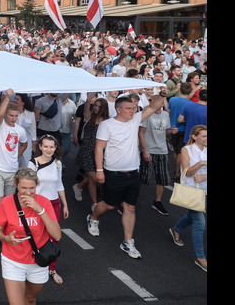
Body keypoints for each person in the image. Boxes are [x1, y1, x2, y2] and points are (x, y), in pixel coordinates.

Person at [86, 92, 166, 259]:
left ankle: (127, 242)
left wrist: (163, 93)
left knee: (130, 207)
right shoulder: (107, 125)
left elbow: (154, 106)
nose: (133, 111)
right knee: (109, 205)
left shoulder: (136, 119)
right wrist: (99, 170)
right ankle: (93, 217)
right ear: (118, 110)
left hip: (133, 173)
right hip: (113, 173)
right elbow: (99, 148)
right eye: (129, 108)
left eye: (134, 108)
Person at [0, 167, 62, 305]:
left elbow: (57, 235)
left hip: (38, 261)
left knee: (30, 299)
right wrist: (7, 239)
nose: (28, 192)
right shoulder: (7, 202)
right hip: (13, 261)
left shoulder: (44, 203)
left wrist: (40, 210)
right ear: (16, 185)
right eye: (23, 187)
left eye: (32, 188)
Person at [0, 90, 28, 250]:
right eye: (11, 115)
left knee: (9, 204)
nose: (13, 118)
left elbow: (24, 144)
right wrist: (8, 97)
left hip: (12, 170)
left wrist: (17, 155)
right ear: (6, 114)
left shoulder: (20, 130)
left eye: (16, 115)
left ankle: (3, 230)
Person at [167, 125, 207, 272]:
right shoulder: (186, 150)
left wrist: (205, 176)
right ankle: (201, 257)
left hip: (205, 191)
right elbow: (187, 172)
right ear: (195, 137)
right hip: (192, 191)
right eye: (204, 136)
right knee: (200, 223)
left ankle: (176, 230)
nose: (206, 139)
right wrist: (201, 163)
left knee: (192, 216)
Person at [30, 135, 68, 284]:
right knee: (35, 235)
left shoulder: (57, 163)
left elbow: (59, 185)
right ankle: (32, 266)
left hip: (53, 204)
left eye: (51, 147)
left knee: (53, 237)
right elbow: (27, 187)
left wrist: (65, 204)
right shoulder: (32, 164)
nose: (48, 149)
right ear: (40, 147)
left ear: (55, 148)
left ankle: (52, 269)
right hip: (37, 204)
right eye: (45, 146)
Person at [138, 89, 172, 216]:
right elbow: (140, 132)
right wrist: (145, 151)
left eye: (162, 101)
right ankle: (130, 199)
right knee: (143, 177)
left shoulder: (165, 115)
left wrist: (171, 132)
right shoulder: (147, 114)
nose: (160, 103)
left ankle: (157, 201)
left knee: (162, 178)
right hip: (150, 150)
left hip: (162, 150)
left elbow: (166, 132)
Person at [72, 95, 107, 209]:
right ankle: (94, 203)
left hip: (99, 152)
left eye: (99, 106)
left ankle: (79, 187)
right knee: (93, 177)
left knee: (95, 176)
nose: (96, 108)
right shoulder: (89, 116)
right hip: (87, 150)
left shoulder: (107, 122)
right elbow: (87, 103)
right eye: (95, 105)